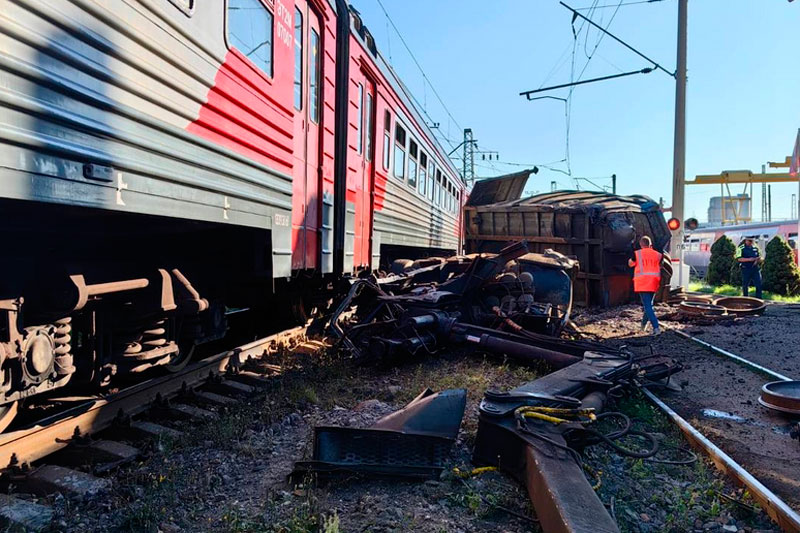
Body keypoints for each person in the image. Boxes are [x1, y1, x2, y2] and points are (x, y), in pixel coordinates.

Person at [628, 236, 662, 335]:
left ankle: (656, 328)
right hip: (654, 282)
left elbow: (630, 264)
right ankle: (643, 326)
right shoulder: (658, 255)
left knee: (647, 306)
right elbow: (661, 265)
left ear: (640, 244)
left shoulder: (637, 254)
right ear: (650, 244)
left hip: (643, 283)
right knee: (649, 305)